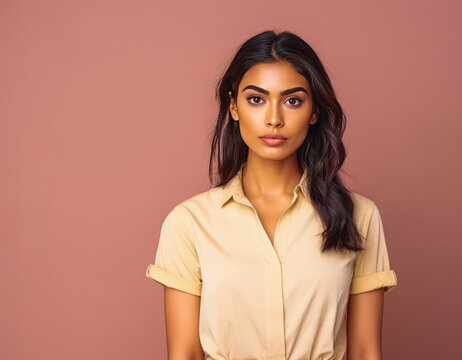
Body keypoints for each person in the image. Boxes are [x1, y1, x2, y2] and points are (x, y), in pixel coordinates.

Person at [145, 29, 398, 360]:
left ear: (314, 111)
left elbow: (365, 352)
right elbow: (185, 354)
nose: (274, 118)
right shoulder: (189, 224)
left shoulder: (359, 217)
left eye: (293, 100)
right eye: (256, 99)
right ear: (233, 106)